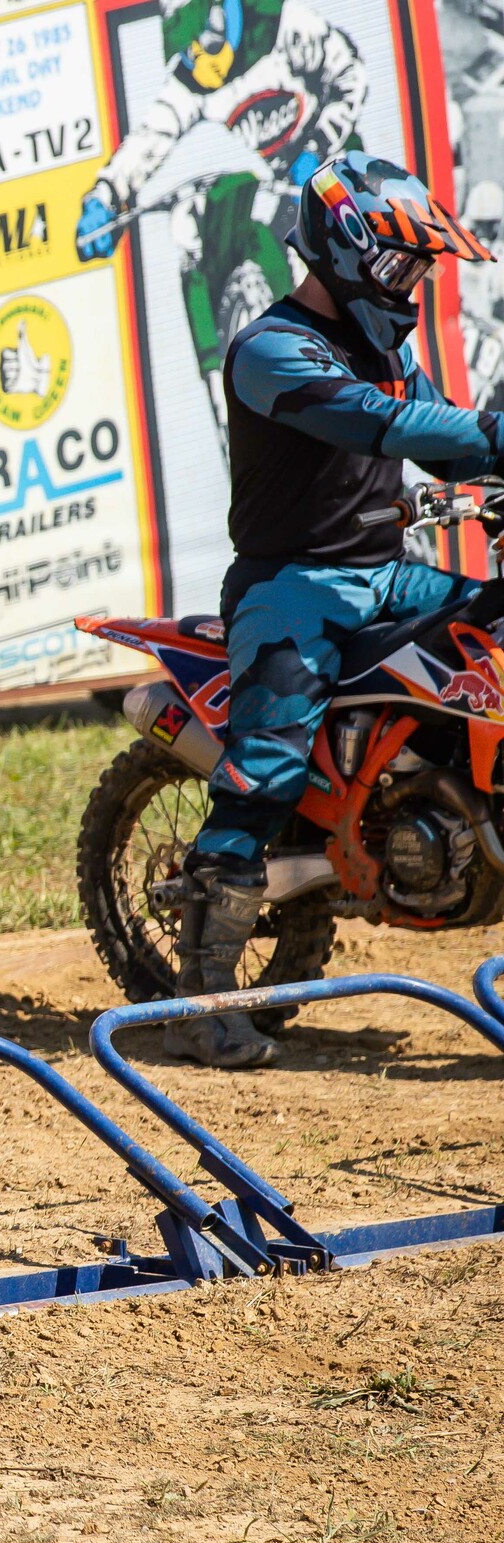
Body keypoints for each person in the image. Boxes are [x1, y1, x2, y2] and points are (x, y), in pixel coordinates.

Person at [172, 153, 504, 1069]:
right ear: (345, 251)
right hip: (292, 587)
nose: (411, 286)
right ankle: (204, 1001)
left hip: (383, 573)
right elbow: (380, 425)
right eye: (400, 267)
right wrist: (494, 434)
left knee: (491, 633)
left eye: (418, 270)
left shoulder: (388, 353)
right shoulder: (270, 350)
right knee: (266, 772)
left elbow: (452, 449)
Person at [73, 0, 366, 456]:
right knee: (194, 223)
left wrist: (316, 147)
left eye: (208, 39)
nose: (202, 57)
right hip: (267, 187)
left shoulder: (284, 27)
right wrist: (105, 197)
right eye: (192, 50)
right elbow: (150, 136)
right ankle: (226, 399)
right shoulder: (195, 77)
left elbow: (350, 76)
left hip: (328, 175)